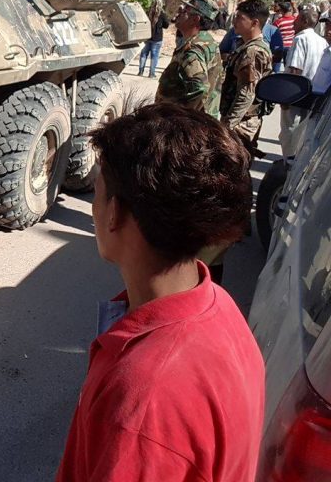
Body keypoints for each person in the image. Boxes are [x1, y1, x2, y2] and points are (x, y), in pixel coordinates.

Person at [56, 103, 264, 482]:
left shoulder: (144, 402)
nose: (93, 211)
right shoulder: (216, 305)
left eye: (97, 195)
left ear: (115, 213)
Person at [220, 0, 274, 158]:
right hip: (240, 120)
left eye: (240, 18)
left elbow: (246, 93)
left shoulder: (253, 52)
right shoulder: (246, 47)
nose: (234, 21)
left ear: (254, 23)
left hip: (242, 123)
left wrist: (227, 127)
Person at [156, 0, 223, 116]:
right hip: (205, 121)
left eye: (185, 10)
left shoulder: (192, 50)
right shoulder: (207, 42)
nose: (179, 12)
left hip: (188, 125)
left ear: (195, 19)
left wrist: (181, 118)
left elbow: (199, 89)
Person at [281, 7, 326, 155]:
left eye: (298, 19)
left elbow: (295, 69)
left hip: (297, 93)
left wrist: (286, 98)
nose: (294, 22)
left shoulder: (300, 38)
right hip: (313, 94)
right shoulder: (322, 41)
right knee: (303, 132)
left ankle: (287, 162)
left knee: (289, 131)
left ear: (305, 21)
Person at [137, 0, 169, 78]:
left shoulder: (148, 12)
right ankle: (151, 74)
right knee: (154, 56)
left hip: (147, 37)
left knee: (144, 54)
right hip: (157, 38)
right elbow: (166, 25)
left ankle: (140, 72)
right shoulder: (162, 14)